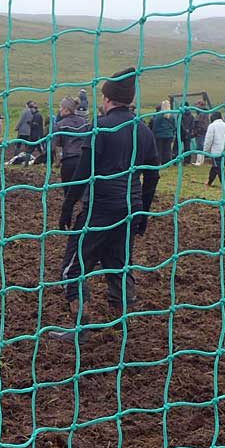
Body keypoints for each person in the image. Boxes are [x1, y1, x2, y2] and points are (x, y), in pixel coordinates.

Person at [51, 67, 159, 342]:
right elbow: (152, 175)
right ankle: (121, 328)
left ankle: (80, 327)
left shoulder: (100, 126)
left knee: (72, 267)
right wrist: (143, 211)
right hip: (130, 210)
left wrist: (68, 205)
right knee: (119, 266)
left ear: (108, 98)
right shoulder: (144, 131)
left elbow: (84, 171)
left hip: (99, 209)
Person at [50, 97, 90, 229]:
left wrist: (55, 161)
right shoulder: (85, 122)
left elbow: (54, 145)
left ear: (67, 109)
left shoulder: (60, 125)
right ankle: (84, 221)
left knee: (68, 194)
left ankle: (65, 222)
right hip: (84, 162)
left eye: (61, 107)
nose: (59, 110)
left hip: (68, 162)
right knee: (85, 193)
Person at [203, 104, 225, 187]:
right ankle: (209, 182)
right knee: (215, 167)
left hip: (216, 152)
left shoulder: (212, 126)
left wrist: (205, 151)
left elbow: (208, 140)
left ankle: (224, 185)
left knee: (218, 168)